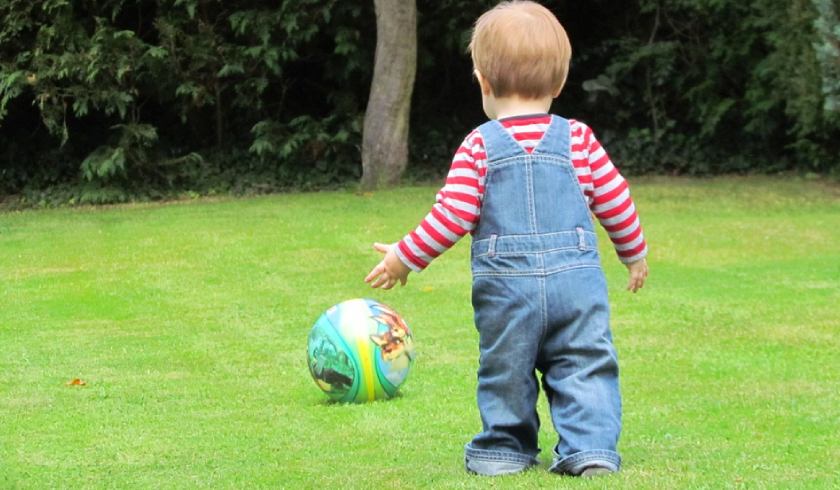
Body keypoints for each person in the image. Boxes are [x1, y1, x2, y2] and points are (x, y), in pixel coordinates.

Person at [364, 0, 649, 478]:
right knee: (585, 363)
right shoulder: (579, 139)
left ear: (483, 82)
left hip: (507, 292)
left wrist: (404, 258)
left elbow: (450, 215)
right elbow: (616, 199)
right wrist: (633, 253)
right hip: (576, 288)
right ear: (559, 84)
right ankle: (591, 447)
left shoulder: (478, 146)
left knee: (506, 369)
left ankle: (504, 449)